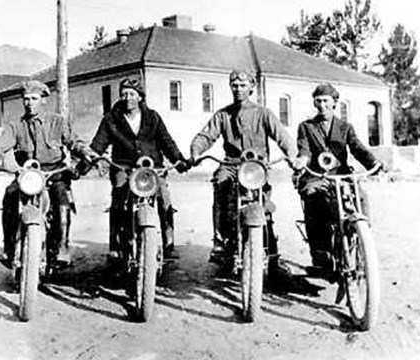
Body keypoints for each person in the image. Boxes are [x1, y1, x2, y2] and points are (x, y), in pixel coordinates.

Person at [189, 69, 301, 268]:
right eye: (234, 85)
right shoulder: (223, 114)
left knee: (264, 202)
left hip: (257, 166)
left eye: (242, 85)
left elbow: (283, 137)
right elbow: (206, 136)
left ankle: (270, 246)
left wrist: (292, 156)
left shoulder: (263, 113)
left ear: (252, 87)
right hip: (231, 165)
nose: (238, 89)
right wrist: (196, 151)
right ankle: (220, 240)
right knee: (220, 184)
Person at [0, 80, 93, 268]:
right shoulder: (16, 126)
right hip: (27, 175)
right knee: (10, 197)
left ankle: (62, 247)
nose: (29, 103)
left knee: (62, 200)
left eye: (34, 98)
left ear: (44, 100)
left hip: (54, 173)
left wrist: (86, 152)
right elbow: (0, 144)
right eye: (26, 99)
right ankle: (9, 248)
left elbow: (73, 141)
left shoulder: (57, 121)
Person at [88, 77, 190, 263]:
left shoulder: (153, 117)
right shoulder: (111, 119)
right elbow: (98, 145)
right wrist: (84, 164)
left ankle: (169, 243)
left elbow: (167, 141)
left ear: (141, 97)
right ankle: (116, 246)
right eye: (124, 94)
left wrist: (180, 160)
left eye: (132, 94)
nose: (128, 98)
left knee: (164, 198)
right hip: (123, 167)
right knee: (118, 198)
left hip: (152, 167)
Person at [294, 83, 384, 276]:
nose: (322, 105)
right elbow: (304, 150)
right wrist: (301, 161)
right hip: (317, 175)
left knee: (360, 197)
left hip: (341, 174)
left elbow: (357, 148)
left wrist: (374, 164)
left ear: (334, 102)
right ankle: (321, 254)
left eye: (326, 101)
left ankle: (361, 239)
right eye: (318, 101)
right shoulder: (306, 127)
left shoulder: (345, 127)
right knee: (313, 199)